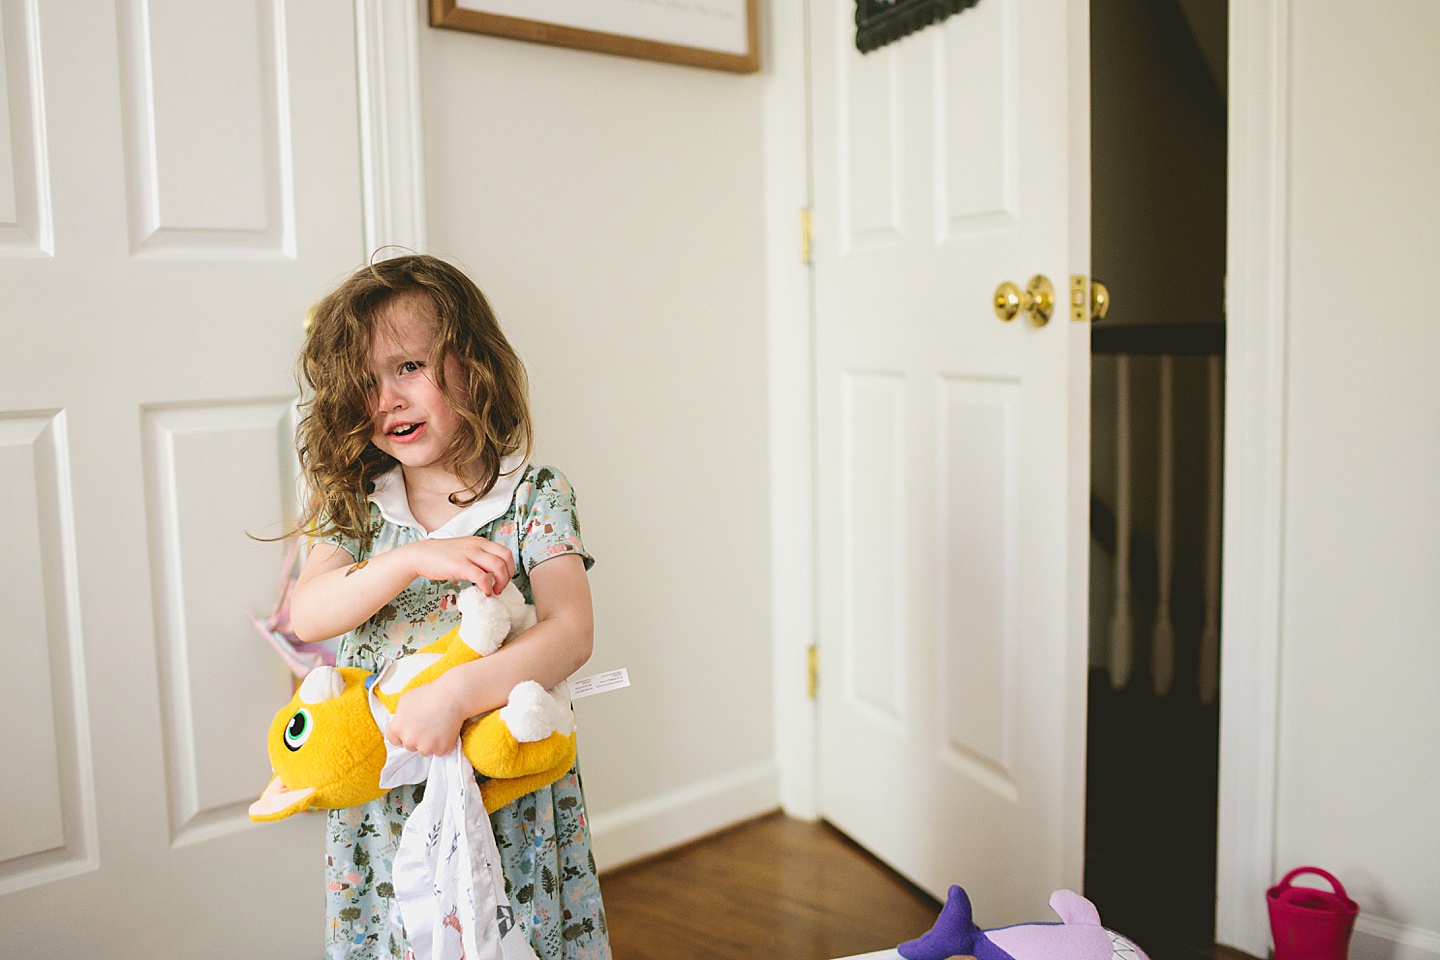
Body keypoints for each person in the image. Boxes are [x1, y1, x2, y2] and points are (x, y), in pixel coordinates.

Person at [285, 253, 611, 960]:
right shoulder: (357, 508)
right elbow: (308, 614)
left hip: (505, 792)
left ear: (475, 365)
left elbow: (571, 630)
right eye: (364, 384)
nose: (387, 400)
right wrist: (407, 560)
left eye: (407, 368)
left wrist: (456, 695)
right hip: (388, 799)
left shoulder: (534, 496)